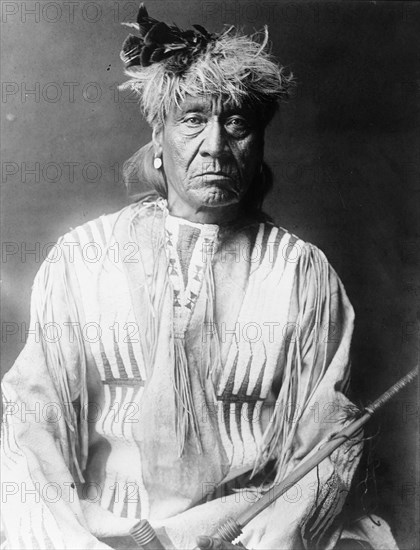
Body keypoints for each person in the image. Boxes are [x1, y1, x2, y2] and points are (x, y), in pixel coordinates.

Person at [1, 5, 398, 550]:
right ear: (158, 143)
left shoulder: (303, 274)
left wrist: (275, 531)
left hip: (247, 531)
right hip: (106, 535)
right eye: (192, 119)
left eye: (237, 122)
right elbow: (32, 427)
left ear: (258, 147)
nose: (215, 144)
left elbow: (323, 444)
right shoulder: (81, 259)